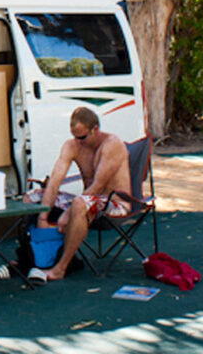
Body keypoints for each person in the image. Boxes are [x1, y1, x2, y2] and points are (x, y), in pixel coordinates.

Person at [36, 106, 131, 281]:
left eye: (82, 137)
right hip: (88, 200)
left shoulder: (112, 144)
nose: (78, 141)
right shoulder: (72, 145)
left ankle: (60, 268)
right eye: (74, 136)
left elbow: (98, 186)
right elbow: (55, 180)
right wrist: (43, 216)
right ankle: (32, 258)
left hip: (117, 203)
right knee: (34, 196)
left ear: (95, 129)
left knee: (79, 203)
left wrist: (68, 212)